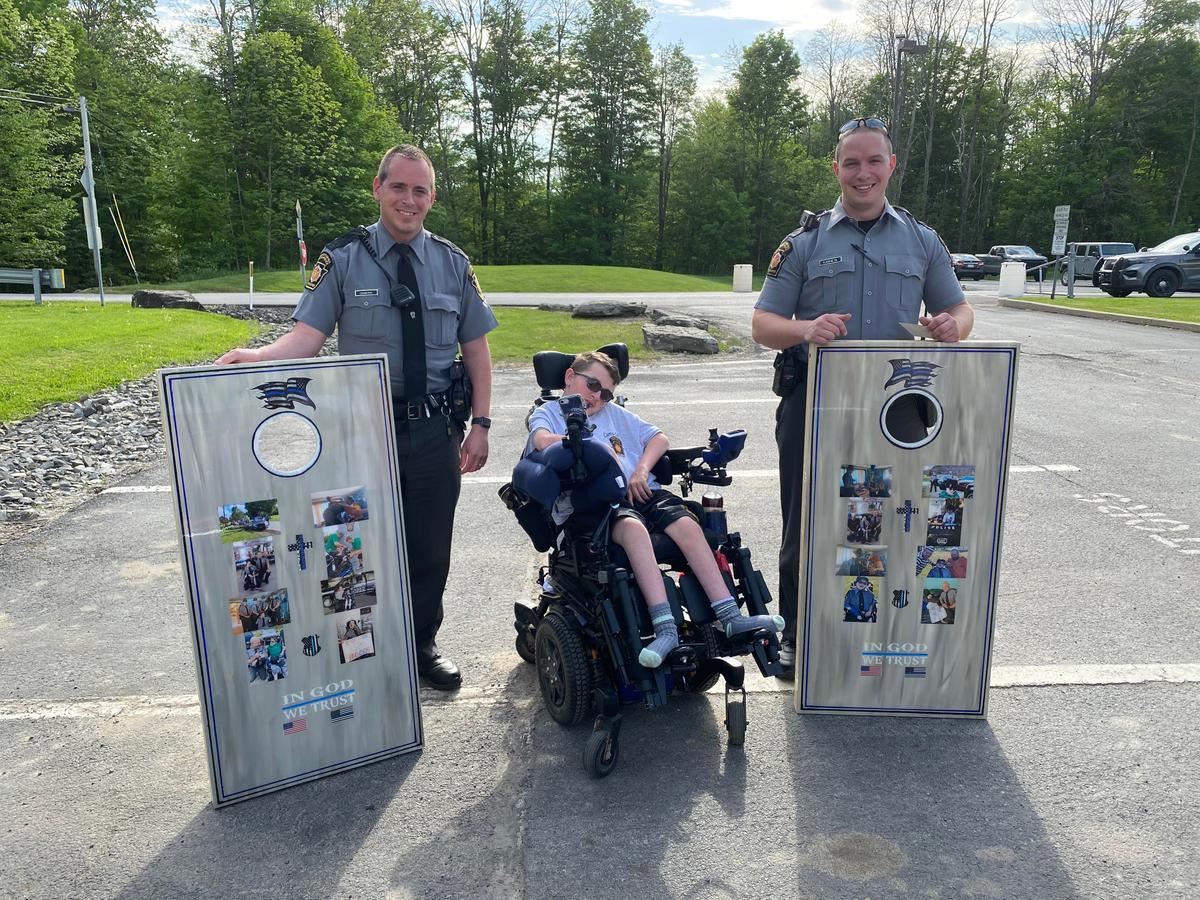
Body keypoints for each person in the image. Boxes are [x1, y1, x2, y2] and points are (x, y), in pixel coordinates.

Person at [217, 144, 497, 691]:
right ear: (378, 188)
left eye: (420, 191)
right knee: (350, 546)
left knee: (429, 547)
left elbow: (477, 353)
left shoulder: (453, 263)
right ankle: (361, 650)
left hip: (435, 432)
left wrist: (482, 425)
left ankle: (420, 645)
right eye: (399, 187)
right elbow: (306, 338)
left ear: (432, 197)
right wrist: (255, 358)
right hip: (360, 433)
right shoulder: (343, 258)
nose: (409, 200)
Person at [751, 116, 975, 677]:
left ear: (891, 166)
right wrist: (805, 330)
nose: (863, 173)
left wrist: (952, 326)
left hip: (902, 408)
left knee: (897, 519)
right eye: (851, 162)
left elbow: (962, 310)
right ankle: (799, 634)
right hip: (819, 401)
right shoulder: (803, 242)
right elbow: (761, 324)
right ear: (836, 168)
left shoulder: (922, 241)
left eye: (874, 161)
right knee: (806, 519)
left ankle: (889, 631)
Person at [526, 351, 783, 668]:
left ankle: (729, 615)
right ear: (569, 377)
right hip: (598, 504)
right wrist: (578, 442)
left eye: (605, 393)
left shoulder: (615, 414)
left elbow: (658, 438)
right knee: (634, 531)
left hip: (640, 489)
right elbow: (540, 441)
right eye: (591, 384)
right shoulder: (550, 413)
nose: (596, 396)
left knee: (688, 524)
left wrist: (640, 470)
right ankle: (665, 630)